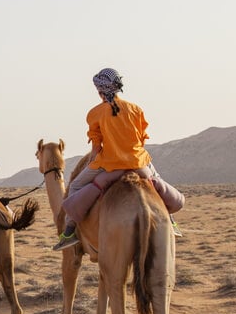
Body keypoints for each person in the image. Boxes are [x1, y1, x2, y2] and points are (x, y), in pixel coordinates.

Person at [52, 68, 182, 251]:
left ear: (100, 91)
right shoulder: (136, 109)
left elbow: (96, 148)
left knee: (75, 186)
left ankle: (69, 231)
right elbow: (141, 140)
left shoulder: (95, 113)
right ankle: (170, 220)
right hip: (138, 163)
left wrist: (92, 164)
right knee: (157, 182)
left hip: (110, 165)